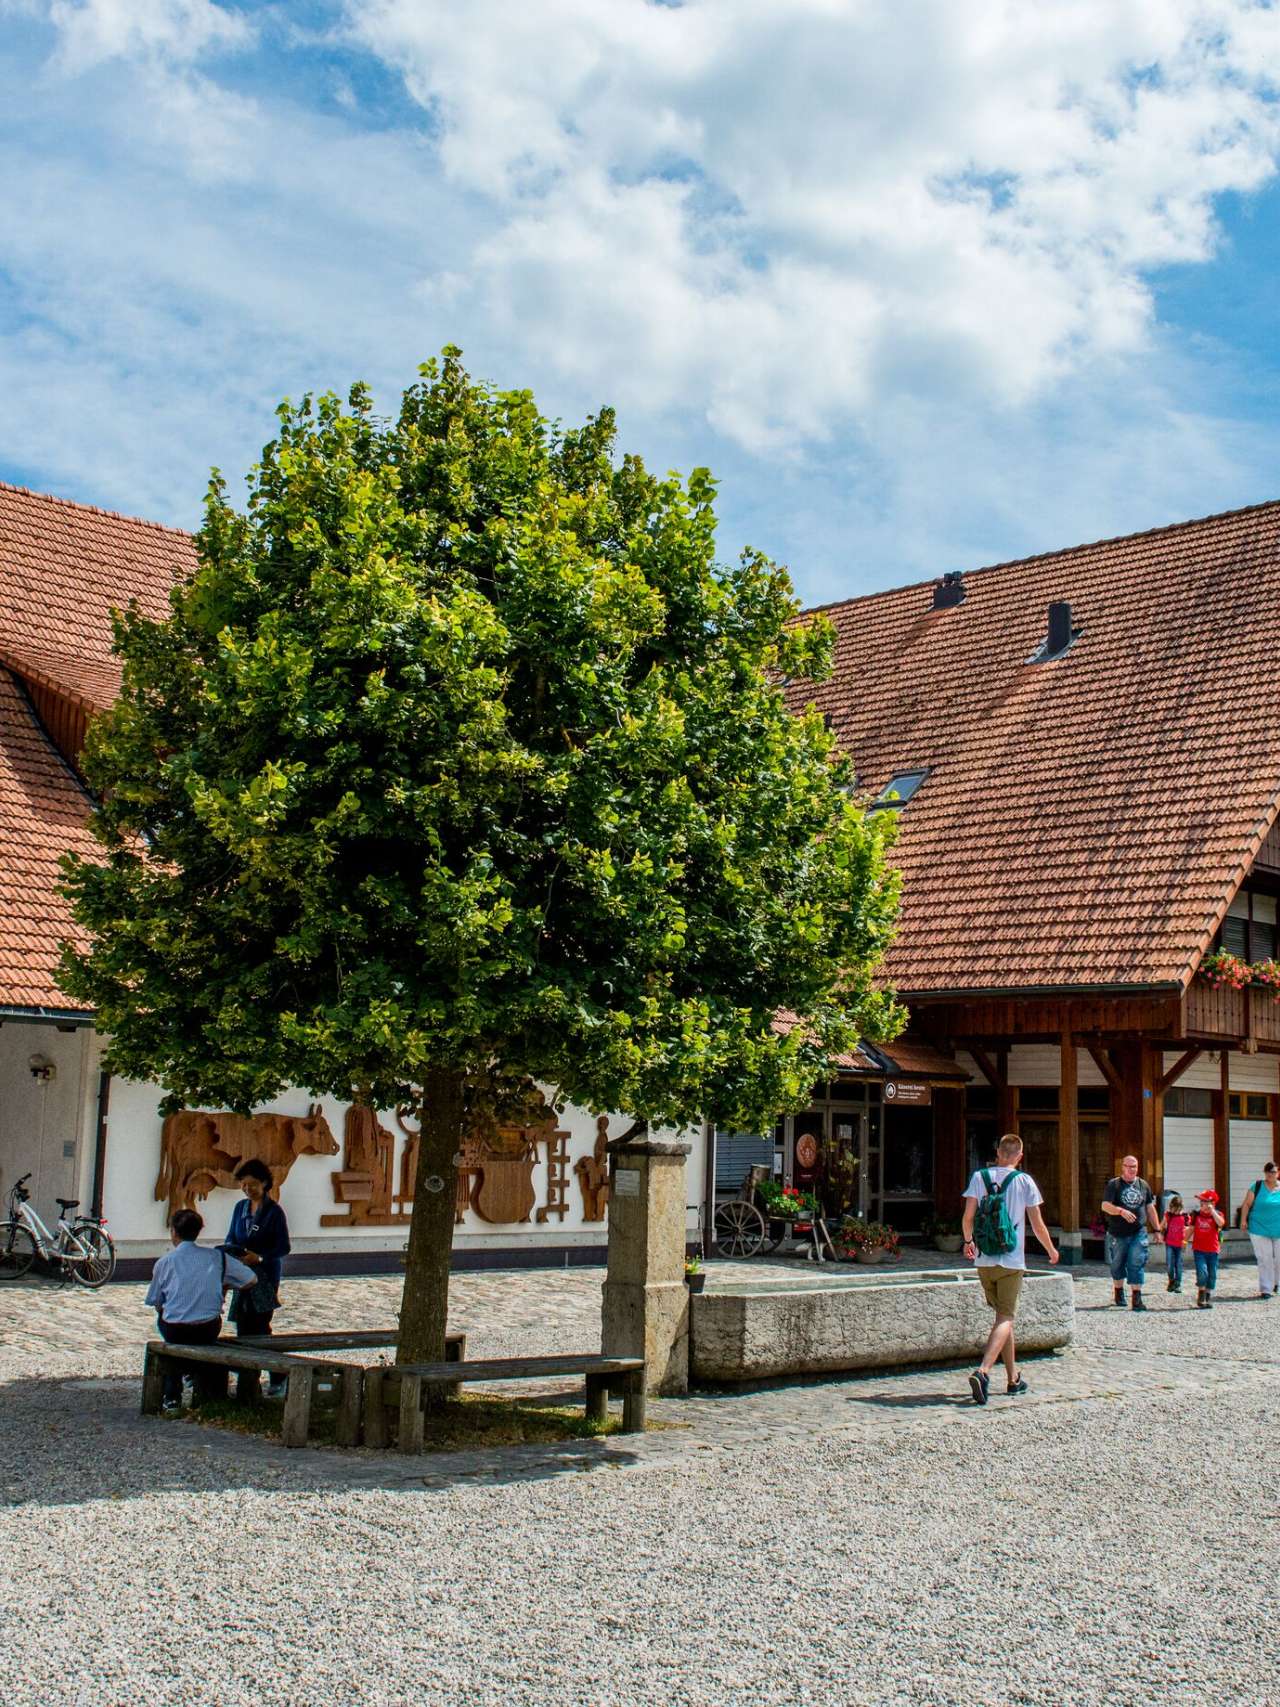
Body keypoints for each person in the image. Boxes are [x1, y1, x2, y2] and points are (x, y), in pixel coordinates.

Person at [961, 1133, 1060, 1405]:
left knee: (1003, 1319)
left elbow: (968, 1217)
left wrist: (968, 1242)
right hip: (1011, 1260)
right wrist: (1051, 1250)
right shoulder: (1024, 1181)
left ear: (998, 1153)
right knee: (1006, 1317)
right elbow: (1037, 1224)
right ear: (1019, 1156)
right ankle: (982, 1372)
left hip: (984, 1260)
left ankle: (1013, 1379)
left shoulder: (978, 1177)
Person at [145, 1208, 255, 1412]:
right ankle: (198, 1385)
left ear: (173, 1232)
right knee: (199, 1331)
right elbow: (250, 1279)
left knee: (167, 1322)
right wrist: (224, 1286)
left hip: (174, 1330)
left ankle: (172, 1397)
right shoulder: (216, 1257)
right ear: (198, 1232)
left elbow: (155, 1300)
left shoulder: (165, 1262)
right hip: (207, 1328)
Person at [224, 1159, 291, 1400]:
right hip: (242, 1273)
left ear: (264, 1183)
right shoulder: (240, 1209)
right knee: (243, 1322)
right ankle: (248, 1380)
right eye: (243, 1185)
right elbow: (232, 1236)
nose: (247, 1189)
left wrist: (260, 1258)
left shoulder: (273, 1212)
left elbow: (283, 1246)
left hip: (265, 1274)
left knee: (261, 1325)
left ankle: (278, 1376)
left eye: (252, 1184)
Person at [1100, 1154, 1160, 1311]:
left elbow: (1150, 1207)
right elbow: (1105, 1205)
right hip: (1118, 1232)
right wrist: (1120, 1211)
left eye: (1134, 1166)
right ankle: (1119, 1291)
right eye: (1129, 1166)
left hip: (1138, 1231)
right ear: (1123, 1167)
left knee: (1137, 1261)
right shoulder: (1114, 1184)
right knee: (1117, 1264)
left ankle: (1137, 1297)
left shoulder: (1143, 1185)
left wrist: (1158, 1229)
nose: (1132, 1169)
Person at [1241, 1161, 1280, 1300]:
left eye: (1274, 1172)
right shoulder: (1256, 1186)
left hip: (1278, 1229)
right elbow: (1246, 1204)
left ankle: (1277, 1283)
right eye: (1268, 1172)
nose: (1271, 1174)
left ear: (1278, 1173)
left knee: (1279, 1259)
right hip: (1259, 1228)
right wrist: (1243, 1220)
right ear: (1265, 1173)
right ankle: (1266, 1289)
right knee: (1265, 1259)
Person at [1190, 1189, 1225, 1309]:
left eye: (1204, 1202)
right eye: (1201, 1202)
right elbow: (1190, 1229)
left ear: (1212, 1203)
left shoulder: (1218, 1214)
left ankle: (1208, 1295)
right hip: (1199, 1249)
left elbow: (1221, 1224)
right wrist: (1183, 1241)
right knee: (1202, 1272)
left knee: (1212, 1274)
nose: (1202, 1205)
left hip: (1213, 1250)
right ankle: (1201, 1294)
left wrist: (1212, 1211)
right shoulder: (1196, 1214)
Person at [1159, 1194, 1189, 1294]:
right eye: (1172, 1209)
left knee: (1178, 1264)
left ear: (1181, 1208)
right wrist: (1160, 1232)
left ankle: (1178, 1283)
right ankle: (1171, 1281)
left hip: (1180, 1244)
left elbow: (1189, 1229)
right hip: (1169, 1243)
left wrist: (1185, 1241)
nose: (1174, 1211)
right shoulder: (1168, 1215)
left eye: (1176, 1209)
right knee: (1169, 1264)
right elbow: (1161, 1226)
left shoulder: (1185, 1216)